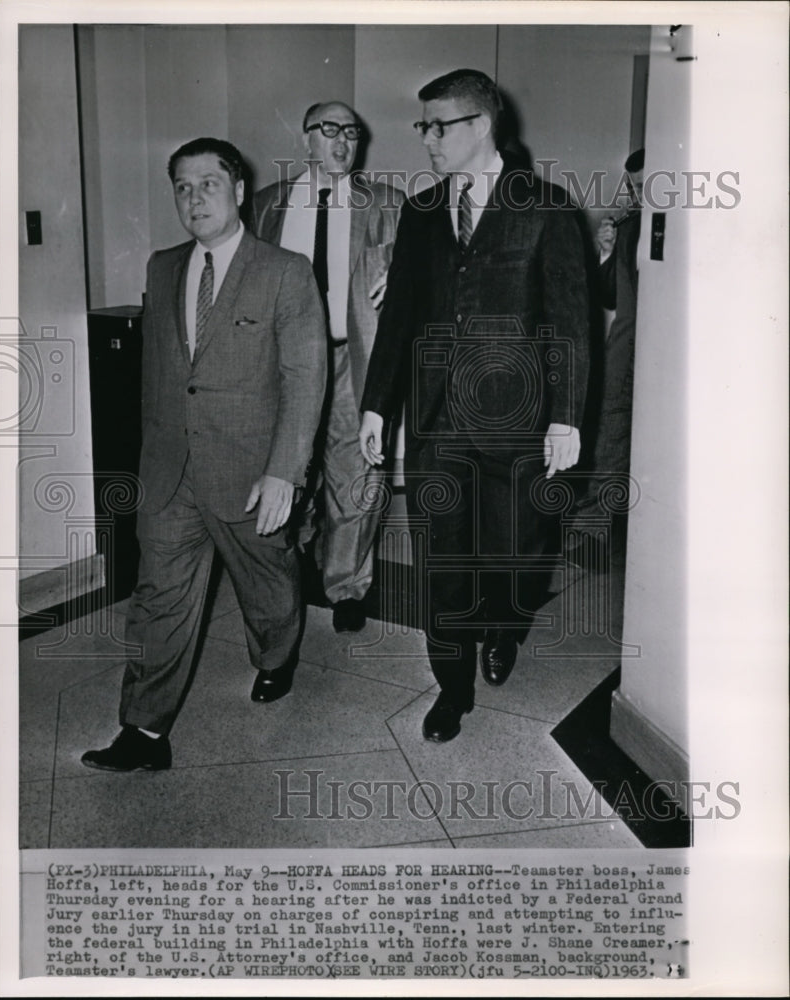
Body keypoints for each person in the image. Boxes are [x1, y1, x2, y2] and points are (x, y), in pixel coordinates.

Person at [359, 69, 590, 742]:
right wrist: (378, 407)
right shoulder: (421, 211)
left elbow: (570, 323)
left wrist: (566, 416)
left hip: (518, 424)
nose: (427, 139)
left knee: (516, 555)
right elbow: (399, 314)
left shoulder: (545, 208)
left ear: (480, 127)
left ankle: (504, 625)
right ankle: (451, 689)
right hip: (436, 426)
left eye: (439, 126)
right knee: (444, 564)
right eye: (422, 127)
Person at [82, 138, 327, 771]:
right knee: (159, 595)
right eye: (182, 188)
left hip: (251, 471)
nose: (195, 199)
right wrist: (147, 462)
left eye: (208, 184)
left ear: (239, 190)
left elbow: (306, 378)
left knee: (267, 582)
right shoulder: (162, 267)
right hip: (170, 474)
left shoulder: (285, 270)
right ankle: (144, 732)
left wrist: (284, 472)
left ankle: (276, 655)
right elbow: (157, 376)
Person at [253, 101, 403, 633]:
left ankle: (347, 586)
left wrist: (401, 280)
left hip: (350, 358)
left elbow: (415, 274)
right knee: (286, 464)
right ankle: (287, 566)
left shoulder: (387, 203)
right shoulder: (267, 207)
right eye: (329, 130)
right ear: (305, 138)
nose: (342, 141)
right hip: (284, 361)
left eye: (352, 132)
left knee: (356, 471)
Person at [586, 148, 644, 531]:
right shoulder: (629, 226)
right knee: (610, 429)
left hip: (662, 349)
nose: (640, 194)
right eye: (635, 187)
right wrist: (606, 252)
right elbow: (610, 296)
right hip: (626, 347)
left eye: (647, 185)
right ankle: (598, 531)